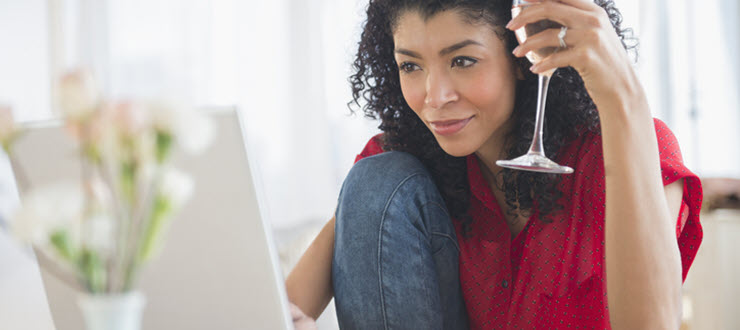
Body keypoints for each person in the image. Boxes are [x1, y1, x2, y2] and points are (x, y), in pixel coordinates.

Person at [286, 0, 703, 328]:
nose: (435, 96)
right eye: (411, 65)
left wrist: (623, 95)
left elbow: (653, 326)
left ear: (526, 57)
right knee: (378, 178)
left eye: (462, 60)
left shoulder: (628, 144)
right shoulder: (397, 171)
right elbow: (283, 309)